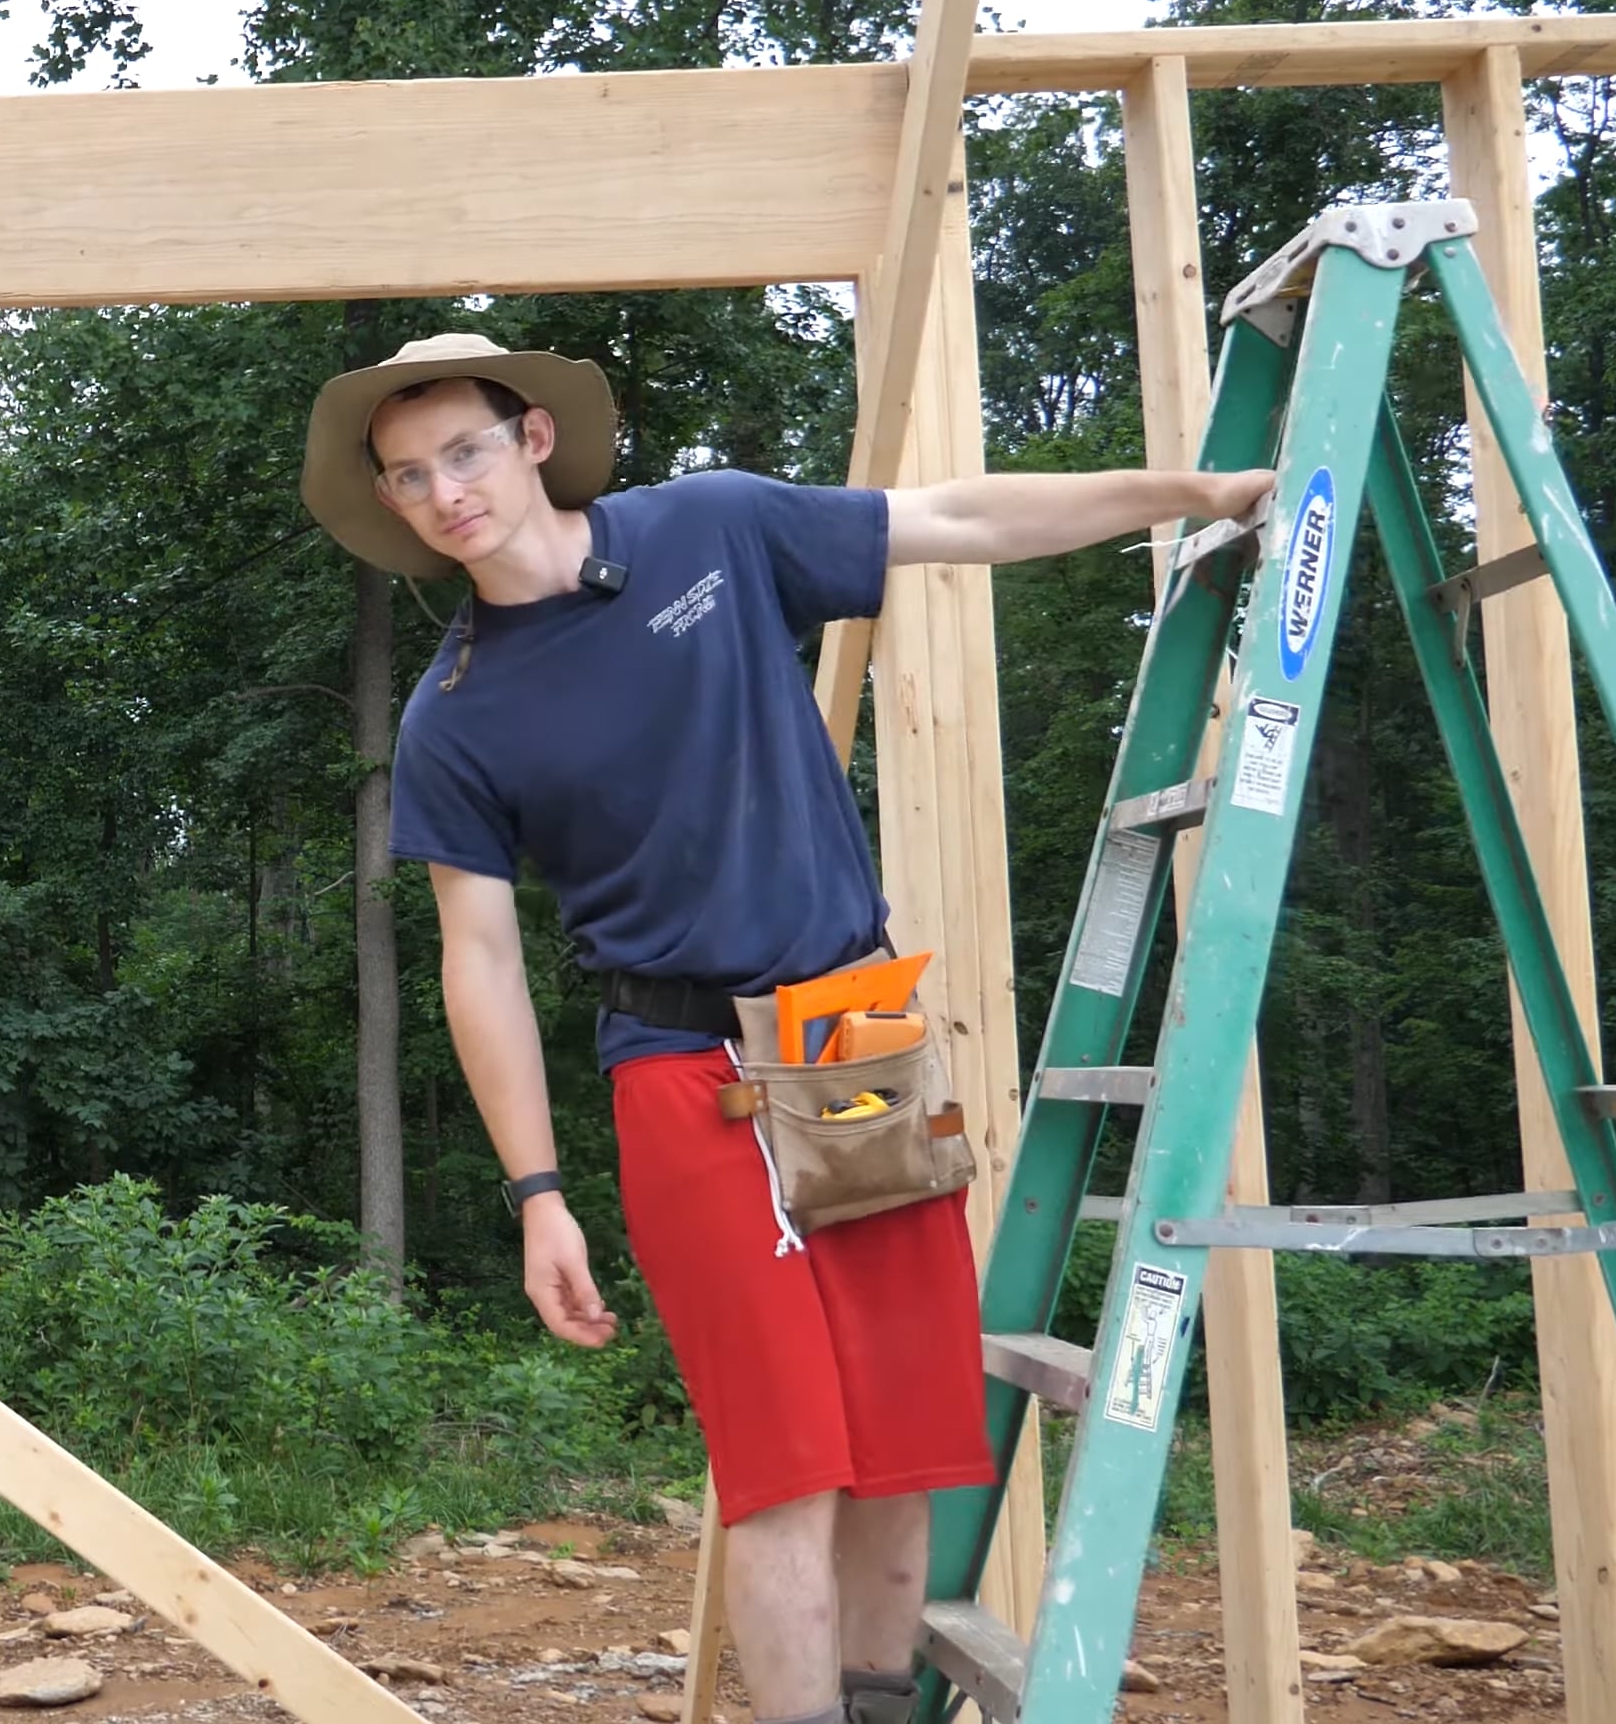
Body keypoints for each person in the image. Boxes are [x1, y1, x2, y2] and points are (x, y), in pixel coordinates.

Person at [297, 332, 1271, 1724]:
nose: (445, 491)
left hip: (852, 1040)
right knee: (785, 1469)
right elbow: (480, 959)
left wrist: (1193, 495)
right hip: (682, 1073)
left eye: (464, 451)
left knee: (904, 1447)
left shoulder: (711, 529)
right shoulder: (454, 717)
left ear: (532, 439)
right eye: (408, 475)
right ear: (391, 503)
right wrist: (537, 1194)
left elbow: (956, 517)